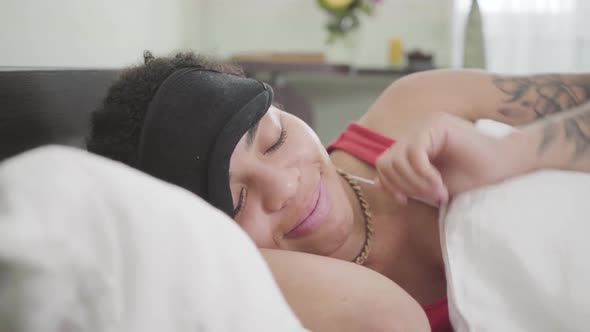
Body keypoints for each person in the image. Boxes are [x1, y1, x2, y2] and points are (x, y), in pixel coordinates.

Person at [87, 51, 590, 332]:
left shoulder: (416, 103)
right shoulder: (277, 312)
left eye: (274, 137)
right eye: (235, 201)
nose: (286, 184)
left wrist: (514, 153)